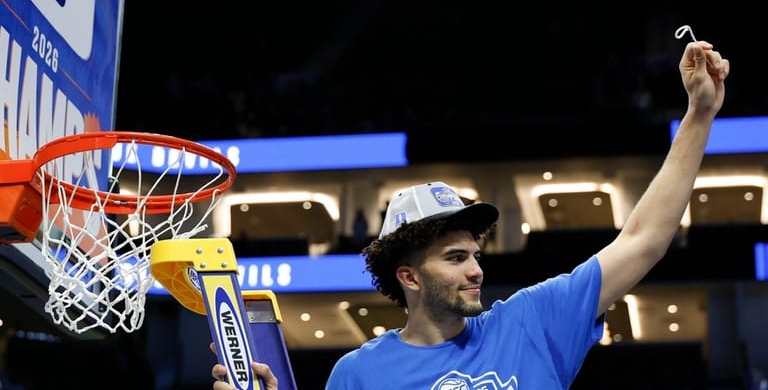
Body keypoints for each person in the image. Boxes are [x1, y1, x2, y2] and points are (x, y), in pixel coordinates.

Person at [211, 39, 729, 389]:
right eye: (455, 257)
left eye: (474, 254)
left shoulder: (533, 321)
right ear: (409, 276)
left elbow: (644, 239)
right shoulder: (359, 375)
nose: (476, 269)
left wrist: (699, 114)